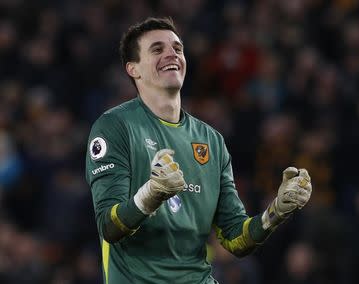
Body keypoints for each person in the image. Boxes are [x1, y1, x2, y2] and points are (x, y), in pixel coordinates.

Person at [85, 17, 312, 284]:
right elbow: (109, 226)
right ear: (133, 69)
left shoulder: (211, 141)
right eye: (157, 49)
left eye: (177, 48)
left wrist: (275, 212)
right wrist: (150, 195)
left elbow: (235, 238)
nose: (172, 54)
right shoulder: (114, 127)